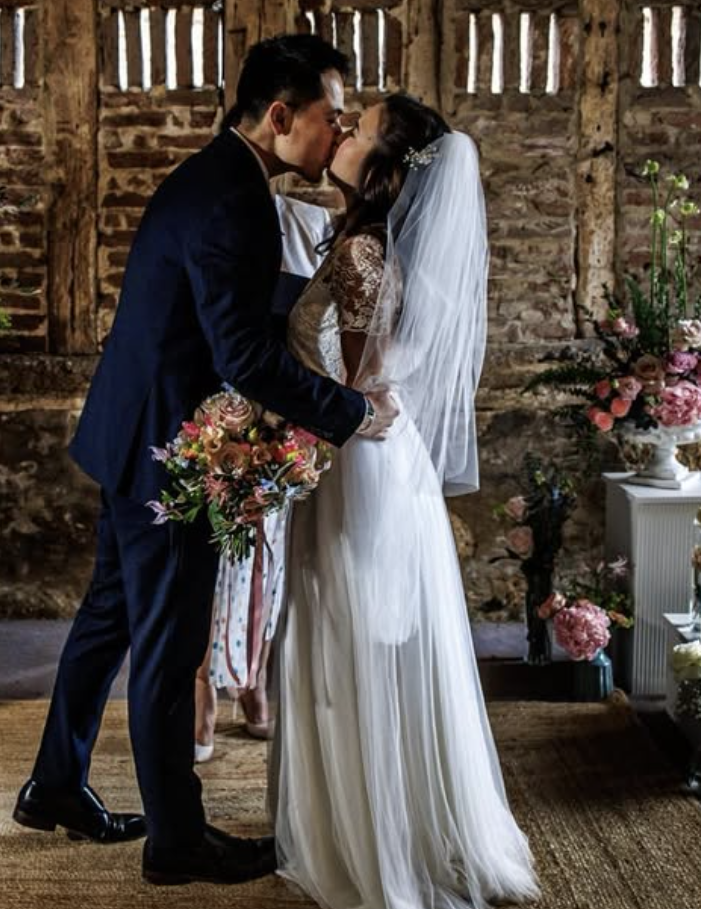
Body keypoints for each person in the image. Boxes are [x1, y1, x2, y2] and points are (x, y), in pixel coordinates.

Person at [13, 35, 399, 887]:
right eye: (331, 118)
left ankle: (54, 785)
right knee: (166, 639)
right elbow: (245, 358)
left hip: (130, 429)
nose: (337, 135)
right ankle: (176, 842)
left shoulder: (214, 179)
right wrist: (350, 411)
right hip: (165, 455)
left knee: (111, 618)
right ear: (279, 115)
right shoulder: (234, 201)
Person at [271, 95, 541, 908]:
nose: (342, 130)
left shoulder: (360, 252)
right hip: (395, 463)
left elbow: (360, 383)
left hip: (360, 465)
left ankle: (376, 852)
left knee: (354, 647)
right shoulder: (379, 243)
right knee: (383, 649)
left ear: (387, 168)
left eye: (359, 129)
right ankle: (413, 831)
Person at [194, 192, 331, 762]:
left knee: (272, 552)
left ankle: (256, 679)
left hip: (283, 411)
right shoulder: (210, 213)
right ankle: (201, 680)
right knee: (213, 552)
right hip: (213, 411)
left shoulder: (315, 222)